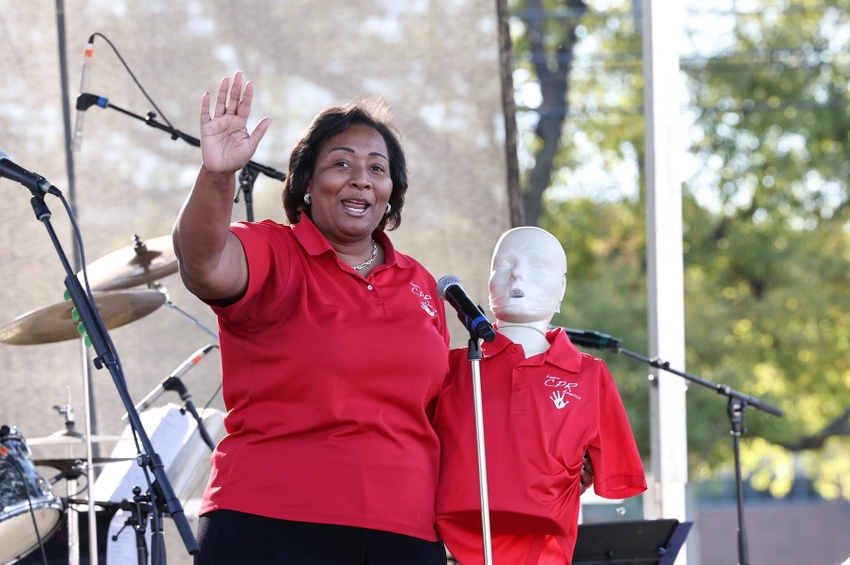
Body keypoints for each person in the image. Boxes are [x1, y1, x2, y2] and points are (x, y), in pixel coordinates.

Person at [172, 71, 451, 565]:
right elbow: (204, 265)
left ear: (391, 190)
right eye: (341, 164)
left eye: (376, 168)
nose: (361, 178)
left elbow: (444, 415)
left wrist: (546, 462)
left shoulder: (421, 283)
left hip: (405, 531)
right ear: (305, 185)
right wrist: (218, 175)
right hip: (272, 524)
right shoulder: (273, 250)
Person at [434, 226, 646, 565]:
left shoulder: (589, 374)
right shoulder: (451, 367)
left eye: (538, 265)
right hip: (446, 549)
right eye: (502, 264)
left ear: (561, 286)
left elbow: (615, 475)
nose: (517, 273)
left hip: (544, 552)